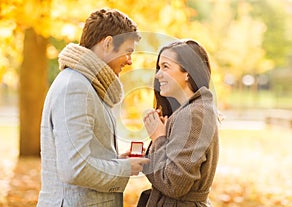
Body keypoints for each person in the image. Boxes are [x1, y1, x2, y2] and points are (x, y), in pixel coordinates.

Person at [37, 8, 149, 207]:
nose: (130, 61)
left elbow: (83, 155)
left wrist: (116, 161)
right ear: (107, 43)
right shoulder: (76, 87)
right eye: (128, 52)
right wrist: (125, 169)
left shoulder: (87, 85)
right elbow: (75, 168)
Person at [142, 40, 219, 207]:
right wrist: (143, 156)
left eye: (166, 67)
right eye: (159, 67)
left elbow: (174, 184)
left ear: (187, 73)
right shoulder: (186, 112)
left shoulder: (194, 114)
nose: (158, 74)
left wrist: (158, 139)